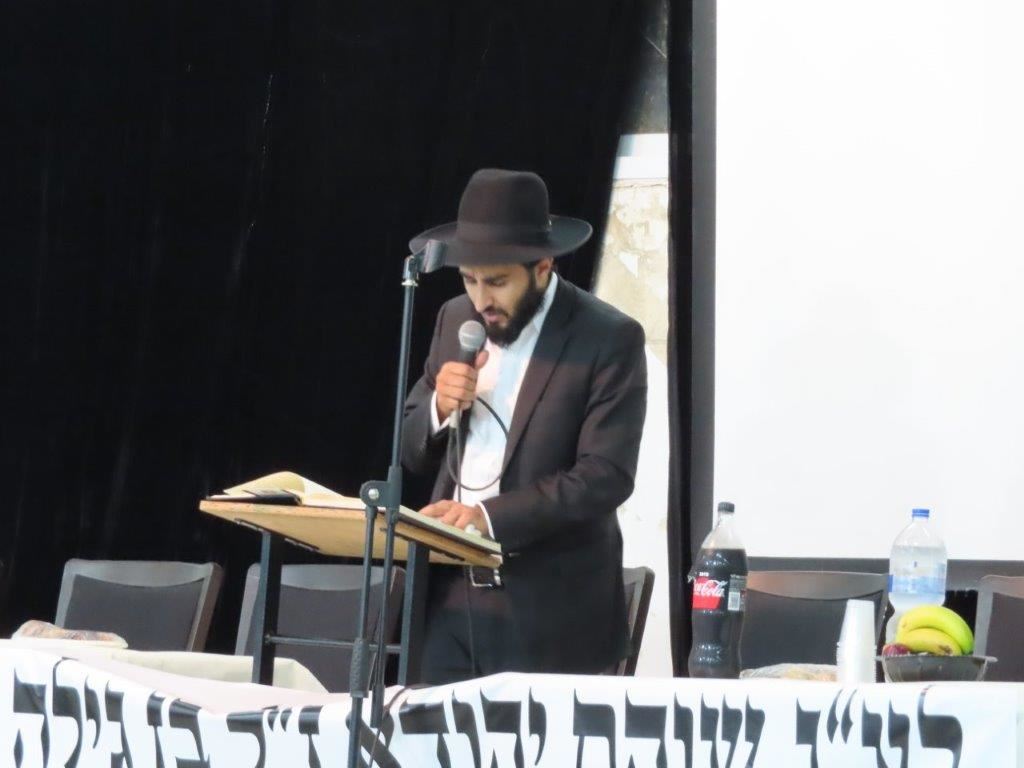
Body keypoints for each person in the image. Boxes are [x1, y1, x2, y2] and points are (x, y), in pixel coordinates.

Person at [401, 168, 647, 683]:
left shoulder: (607, 337)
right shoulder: (454, 319)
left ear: (542, 267)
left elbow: (605, 475)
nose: (481, 300)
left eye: (497, 282)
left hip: (551, 613)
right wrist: (439, 408)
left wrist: (486, 519)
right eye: (469, 280)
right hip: (450, 602)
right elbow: (408, 449)